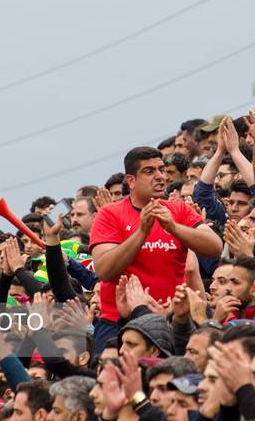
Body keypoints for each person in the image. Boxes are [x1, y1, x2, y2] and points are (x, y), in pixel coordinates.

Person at [90, 146, 222, 347]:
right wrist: (141, 232)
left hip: (171, 318)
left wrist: (174, 228)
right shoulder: (110, 214)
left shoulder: (178, 210)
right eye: (149, 171)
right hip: (118, 320)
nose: (160, 176)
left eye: (161, 169)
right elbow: (105, 270)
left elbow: (215, 247)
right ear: (131, 181)